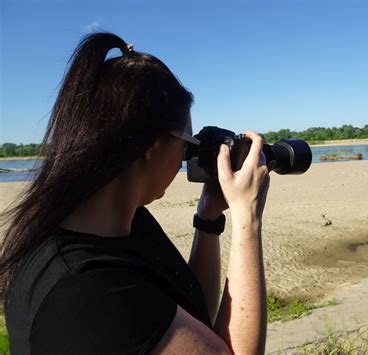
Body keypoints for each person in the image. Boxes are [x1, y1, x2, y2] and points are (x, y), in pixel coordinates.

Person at [0, 32, 270, 354]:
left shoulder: (122, 225)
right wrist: (247, 217)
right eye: (186, 142)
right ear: (151, 146)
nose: (187, 155)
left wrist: (208, 217)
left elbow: (193, 314)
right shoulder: (88, 292)